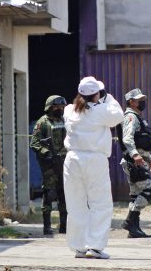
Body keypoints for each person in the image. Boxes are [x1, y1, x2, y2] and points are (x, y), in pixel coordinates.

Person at [63, 76, 124, 259]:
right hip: (95, 159)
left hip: (72, 159)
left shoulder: (69, 110)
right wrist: (108, 98)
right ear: (97, 94)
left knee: (75, 204)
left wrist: (98, 99)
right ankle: (95, 246)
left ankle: (79, 247)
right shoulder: (101, 111)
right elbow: (118, 115)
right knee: (100, 203)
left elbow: (84, 107)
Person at [119, 88, 151, 238]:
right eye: (138, 100)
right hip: (133, 161)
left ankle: (133, 228)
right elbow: (127, 139)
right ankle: (130, 221)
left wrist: (150, 160)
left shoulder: (137, 117)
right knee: (149, 190)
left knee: (135, 195)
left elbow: (139, 143)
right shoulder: (131, 117)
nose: (142, 102)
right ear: (131, 102)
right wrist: (135, 155)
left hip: (138, 159)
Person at [30, 95, 68, 235]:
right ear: (50, 107)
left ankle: (64, 225)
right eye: (57, 107)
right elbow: (34, 143)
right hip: (49, 164)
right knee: (49, 194)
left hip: (65, 163)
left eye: (62, 107)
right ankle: (47, 226)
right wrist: (46, 153)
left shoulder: (65, 121)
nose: (60, 109)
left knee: (64, 194)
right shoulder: (43, 122)